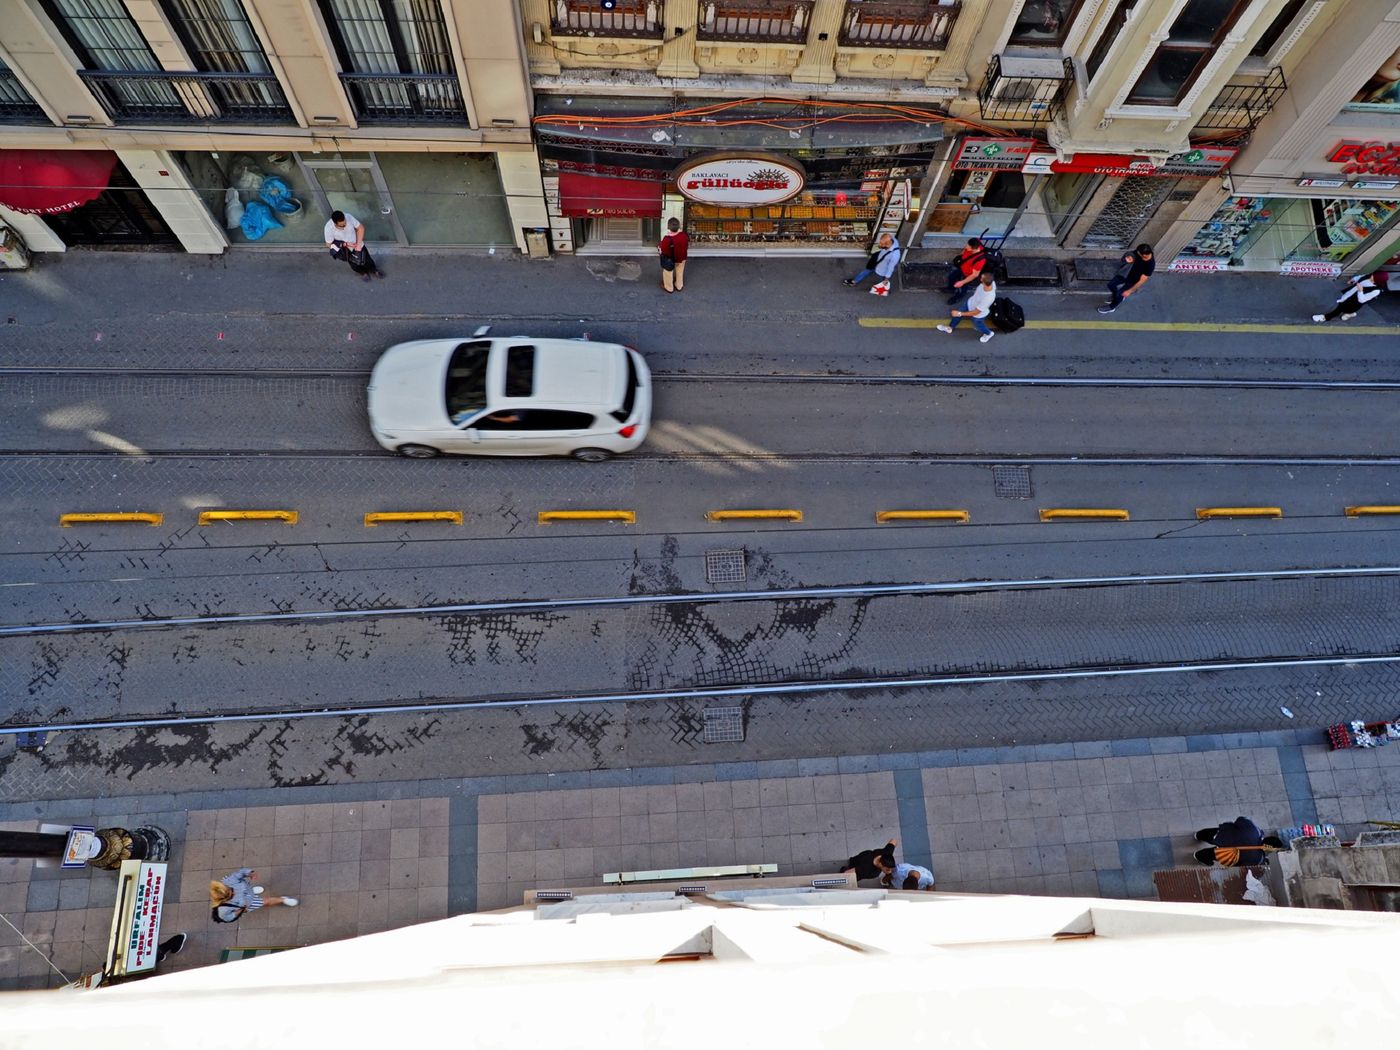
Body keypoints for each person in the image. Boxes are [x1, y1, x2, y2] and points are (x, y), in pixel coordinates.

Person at [210, 867, 298, 923]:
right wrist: (241, 910)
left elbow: (241, 872)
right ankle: (282, 899)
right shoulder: (222, 909)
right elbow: (228, 917)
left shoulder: (229, 881)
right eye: (230, 895)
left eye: (231, 889)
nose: (234, 892)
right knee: (266, 902)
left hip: (247, 890)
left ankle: (252, 891)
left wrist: (250, 873)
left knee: (249, 889)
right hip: (248, 903)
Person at [1193, 816, 1285, 867]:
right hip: (1225, 853)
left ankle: (1198, 835)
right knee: (1210, 854)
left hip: (1221, 834)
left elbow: (1240, 820)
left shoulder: (1254, 831)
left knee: (1208, 834)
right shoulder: (1257, 859)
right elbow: (1241, 865)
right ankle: (1198, 855)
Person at [936, 269, 998, 343]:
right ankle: (950, 327)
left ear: (984, 282)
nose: (980, 278)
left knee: (978, 325)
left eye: (981, 278)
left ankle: (989, 333)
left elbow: (976, 312)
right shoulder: (991, 282)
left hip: (978, 315)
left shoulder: (988, 298)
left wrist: (959, 313)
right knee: (958, 313)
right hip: (970, 303)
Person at [324, 209, 384, 282]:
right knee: (354, 264)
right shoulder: (328, 228)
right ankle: (363, 272)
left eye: (345, 223)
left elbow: (360, 228)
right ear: (335, 224)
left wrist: (358, 245)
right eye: (342, 225)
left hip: (357, 243)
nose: (344, 226)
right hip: (346, 249)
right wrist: (344, 244)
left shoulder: (348, 216)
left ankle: (374, 270)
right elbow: (328, 244)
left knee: (367, 259)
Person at [1099, 243, 1154, 314]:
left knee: (1120, 294)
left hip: (1133, 280)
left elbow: (1142, 281)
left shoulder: (1150, 265)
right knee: (1111, 285)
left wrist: (1130, 291)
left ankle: (1112, 307)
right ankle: (1115, 296)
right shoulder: (1140, 251)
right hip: (1125, 274)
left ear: (1144, 255)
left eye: (1139, 254)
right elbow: (1131, 254)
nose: (1137, 254)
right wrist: (1128, 257)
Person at [1313, 272, 1384, 322]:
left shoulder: (1376, 291)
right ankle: (1351, 313)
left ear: (1377, 281)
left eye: (1373, 278)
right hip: (1349, 293)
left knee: (1339, 309)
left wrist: (1360, 291)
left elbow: (1362, 300)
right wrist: (1354, 279)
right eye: (1373, 275)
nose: (1371, 276)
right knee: (1339, 301)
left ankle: (1325, 317)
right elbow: (1361, 277)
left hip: (1353, 301)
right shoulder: (1369, 276)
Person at [945, 237, 988, 303]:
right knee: (951, 277)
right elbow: (964, 251)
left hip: (966, 275)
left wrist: (962, 282)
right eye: (967, 244)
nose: (966, 247)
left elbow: (974, 275)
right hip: (961, 268)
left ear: (974, 249)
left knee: (962, 288)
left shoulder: (980, 260)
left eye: (968, 247)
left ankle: (957, 297)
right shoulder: (975, 242)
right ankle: (951, 289)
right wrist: (960, 255)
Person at [659, 217, 689, 293]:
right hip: (682, 258)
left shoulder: (667, 239)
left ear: (668, 227)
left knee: (668, 273)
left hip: (670, 259)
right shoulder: (684, 236)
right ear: (678, 226)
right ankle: (679, 286)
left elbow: (663, 250)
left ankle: (669, 287)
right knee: (680, 272)